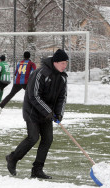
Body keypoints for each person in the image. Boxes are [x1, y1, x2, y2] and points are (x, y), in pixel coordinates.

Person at [5, 49, 68, 179]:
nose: (65, 65)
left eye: (66, 63)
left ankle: (37, 170)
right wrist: (48, 111)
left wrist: (59, 114)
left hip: (47, 113)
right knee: (33, 137)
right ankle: (12, 158)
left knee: (48, 139)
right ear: (55, 62)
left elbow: (62, 97)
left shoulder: (62, 77)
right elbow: (34, 96)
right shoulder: (40, 73)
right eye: (62, 63)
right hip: (32, 111)